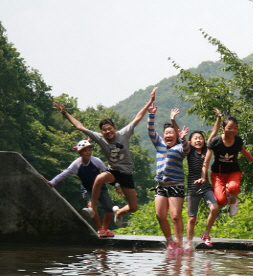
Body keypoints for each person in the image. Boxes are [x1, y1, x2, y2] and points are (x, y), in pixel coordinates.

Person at [53, 88, 156, 227]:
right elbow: (80, 127)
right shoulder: (100, 138)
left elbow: (138, 118)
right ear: (102, 132)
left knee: (134, 208)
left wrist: (149, 102)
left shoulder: (124, 133)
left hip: (126, 173)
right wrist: (65, 113)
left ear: (114, 128)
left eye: (109, 128)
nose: (107, 132)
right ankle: (92, 208)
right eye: (104, 130)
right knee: (100, 178)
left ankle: (119, 212)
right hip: (113, 171)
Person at [46, 139, 117, 237]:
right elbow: (64, 174)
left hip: (101, 187)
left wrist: (116, 185)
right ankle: (100, 229)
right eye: (85, 150)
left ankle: (105, 228)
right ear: (80, 152)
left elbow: (108, 174)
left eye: (89, 150)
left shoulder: (96, 161)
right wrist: (52, 183)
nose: (88, 152)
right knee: (92, 207)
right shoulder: (76, 164)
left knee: (109, 209)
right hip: (87, 189)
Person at [203, 115, 253, 216]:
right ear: (223, 128)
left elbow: (245, 152)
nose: (232, 130)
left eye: (235, 128)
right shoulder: (215, 141)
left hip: (233, 171)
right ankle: (226, 194)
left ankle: (233, 201)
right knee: (221, 201)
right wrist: (203, 176)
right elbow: (206, 161)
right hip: (218, 173)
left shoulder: (237, 140)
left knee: (233, 187)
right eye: (229, 128)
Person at [148, 103, 190, 250]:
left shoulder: (180, 148)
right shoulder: (159, 145)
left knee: (175, 216)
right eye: (166, 133)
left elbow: (187, 148)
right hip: (161, 186)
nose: (168, 135)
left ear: (176, 136)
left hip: (176, 185)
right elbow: (151, 131)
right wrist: (151, 115)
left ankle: (180, 243)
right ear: (163, 135)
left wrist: (183, 138)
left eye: (171, 133)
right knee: (160, 216)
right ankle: (170, 241)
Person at [185, 107, 222, 250]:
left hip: (205, 186)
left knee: (214, 208)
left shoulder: (207, 149)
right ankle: (188, 242)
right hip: (193, 187)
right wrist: (173, 121)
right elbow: (181, 140)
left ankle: (206, 234)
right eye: (195, 138)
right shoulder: (189, 150)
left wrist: (218, 118)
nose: (198, 140)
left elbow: (213, 133)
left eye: (200, 138)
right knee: (192, 218)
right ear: (191, 141)